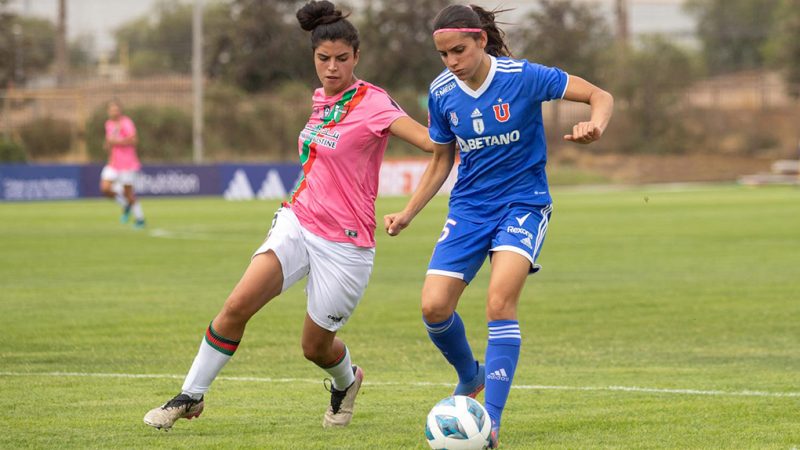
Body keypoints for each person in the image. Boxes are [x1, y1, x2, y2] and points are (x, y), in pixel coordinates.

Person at [143, 0, 432, 431]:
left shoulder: (374, 103)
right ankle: (190, 395)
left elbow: (430, 143)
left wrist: (458, 124)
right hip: (299, 219)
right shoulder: (319, 99)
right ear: (313, 57)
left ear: (356, 57)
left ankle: (347, 381)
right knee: (237, 305)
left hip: (346, 243)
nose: (332, 67)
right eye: (323, 58)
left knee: (315, 348)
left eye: (341, 59)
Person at [384, 4, 614, 448]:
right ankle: (471, 375)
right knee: (434, 307)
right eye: (443, 54)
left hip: (523, 205)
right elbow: (442, 158)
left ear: (481, 41)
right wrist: (409, 212)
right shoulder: (442, 92)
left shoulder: (523, 76)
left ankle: (490, 422)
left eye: (459, 50)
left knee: (499, 302)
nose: (452, 61)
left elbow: (600, 96)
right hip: (469, 209)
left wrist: (596, 126)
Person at [100, 99, 145, 228]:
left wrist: (116, 142)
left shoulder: (126, 122)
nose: (114, 112)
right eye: (111, 110)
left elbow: (134, 140)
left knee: (128, 193)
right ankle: (125, 205)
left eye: (116, 110)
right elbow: (109, 142)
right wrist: (108, 144)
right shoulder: (108, 124)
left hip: (127, 164)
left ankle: (140, 219)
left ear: (120, 110)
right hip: (113, 163)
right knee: (105, 188)